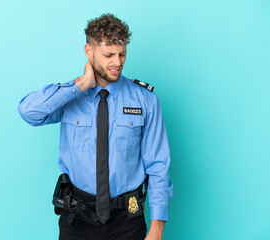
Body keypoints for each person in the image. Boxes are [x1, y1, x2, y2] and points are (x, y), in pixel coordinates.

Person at [18, 13, 173, 240]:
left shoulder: (145, 100)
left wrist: (157, 227)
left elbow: (158, 164)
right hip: (77, 219)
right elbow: (29, 112)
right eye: (108, 55)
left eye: (122, 54)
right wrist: (80, 84)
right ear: (89, 52)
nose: (117, 62)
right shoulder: (69, 98)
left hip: (127, 220)